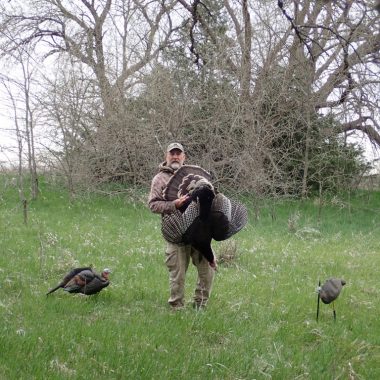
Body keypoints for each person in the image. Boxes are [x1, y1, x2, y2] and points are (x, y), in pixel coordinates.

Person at [148, 142, 215, 310]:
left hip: (197, 232)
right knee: (178, 275)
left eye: (179, 153)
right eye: (172, 153)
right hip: (175, 233)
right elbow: (153, 205)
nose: (175, 156)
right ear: (167, 156)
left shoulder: (195, 175)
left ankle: (200, 305)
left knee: (208, 270)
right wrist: (174, 205)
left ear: (184, 157)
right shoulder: (159, 179)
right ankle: (176, 307)